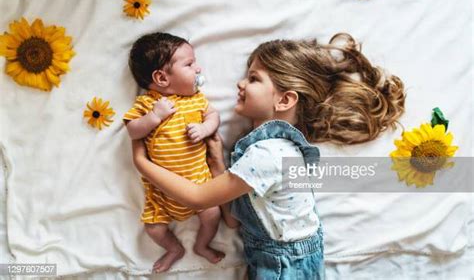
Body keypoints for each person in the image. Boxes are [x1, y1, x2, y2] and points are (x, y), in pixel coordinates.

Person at [132, 33, 406, 279]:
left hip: (286, 264)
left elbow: (196, 197)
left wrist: (142, 163)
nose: (240, 83)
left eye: (253, 79)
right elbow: (232, 220)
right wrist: (217, 162)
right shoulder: (255, 151)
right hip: (271, 258)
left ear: (284, 100)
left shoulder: (269, 155)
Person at [123, 32, 224, 273]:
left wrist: (205, 128)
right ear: (161, 78)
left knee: (212, 214)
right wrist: (154, 117)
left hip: (200, 184)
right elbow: (132, 131)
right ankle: (174, 249)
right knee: (153, 228)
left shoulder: (196, 99)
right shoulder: (147, 104)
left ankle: (202, 245)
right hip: (162, 194)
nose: (198, 69)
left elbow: (214, 115)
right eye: (189, 64)